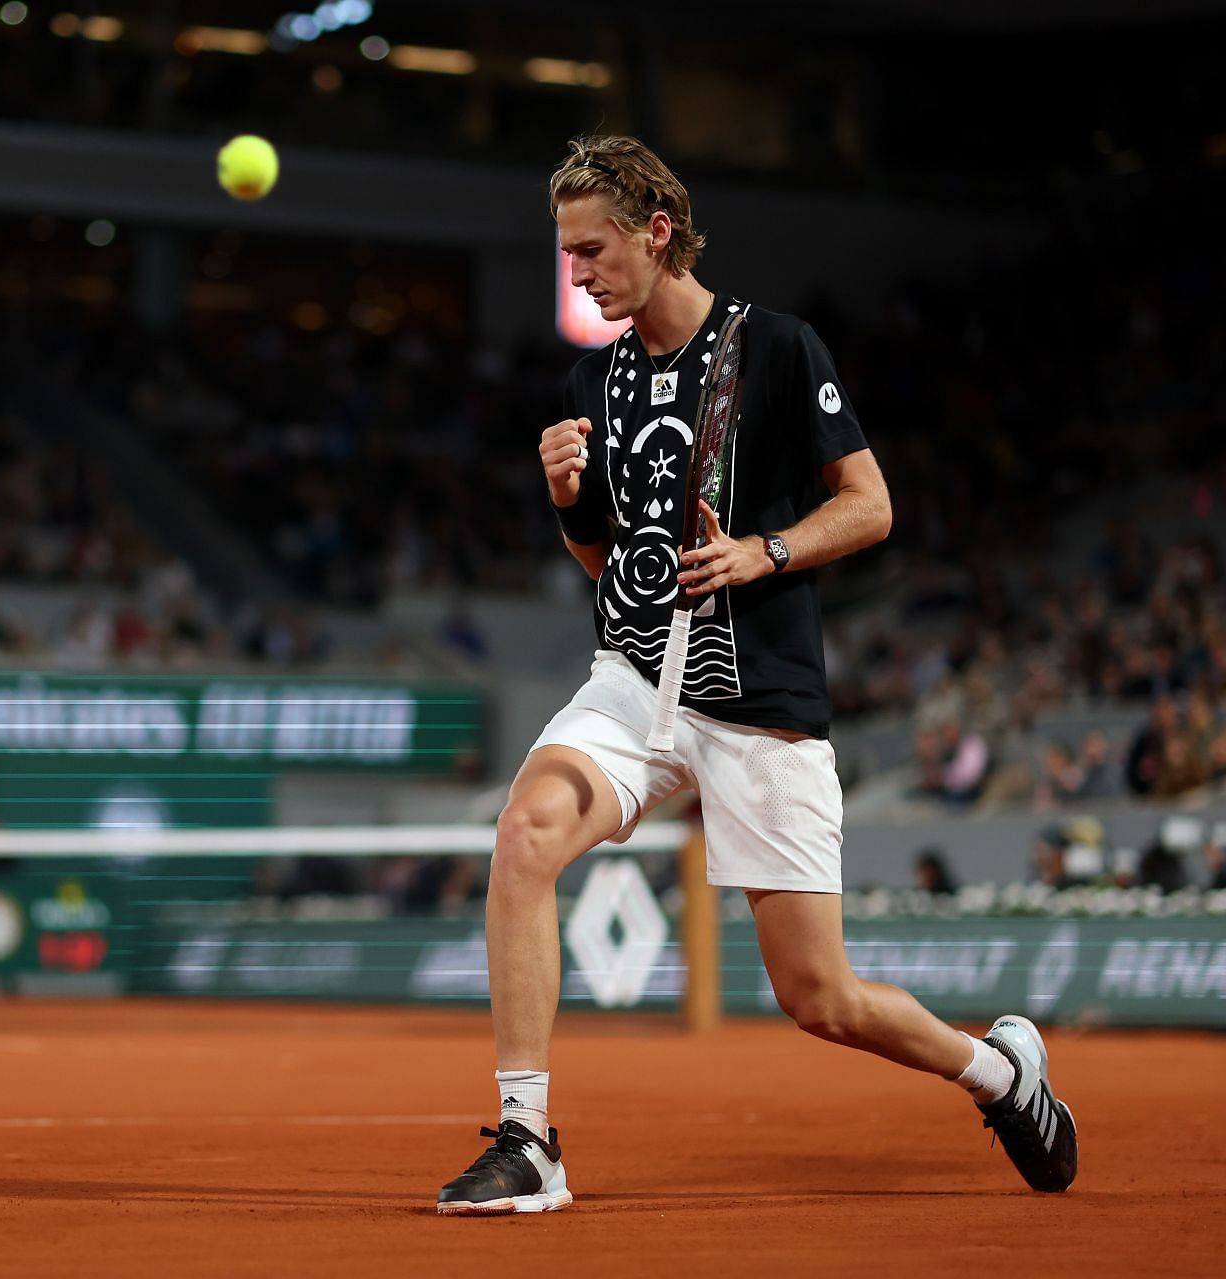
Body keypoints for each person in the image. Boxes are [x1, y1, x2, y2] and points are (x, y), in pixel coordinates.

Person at [435, 135, 1077, 1216]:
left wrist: (763, 550)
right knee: (525, 831)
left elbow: (870, 504)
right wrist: (567, 504)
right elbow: (611, 564)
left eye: (592, 250)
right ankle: (528, 1138)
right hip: (635, 684)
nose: (578, 273)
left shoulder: (777, 348)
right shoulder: (597, 377)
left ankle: (1001, 1072)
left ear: (656, 231)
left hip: (758, 704)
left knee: (819, 997)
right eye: (566, 253)